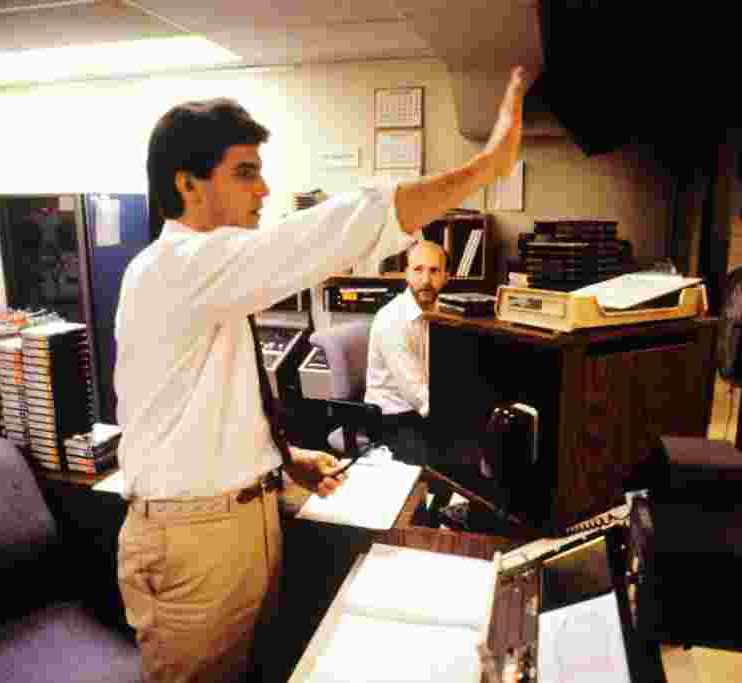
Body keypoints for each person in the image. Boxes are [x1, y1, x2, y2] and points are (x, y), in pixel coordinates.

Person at [113, 65, 529, 683]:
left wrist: (282, 459)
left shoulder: (209, 280)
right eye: (245, 172)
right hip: (196, 544)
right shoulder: (173, 266)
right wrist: (485, 167)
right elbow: (329, 233)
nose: (262, 190)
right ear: (188, 184)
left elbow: (211, 408)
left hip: (240, 523)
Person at [362, 240, 449, 466]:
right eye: (418, 270)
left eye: (434, 271)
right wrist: (459, 417)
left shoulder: (444, 314)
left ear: (446, 276)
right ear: (406, 274)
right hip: (393, 419)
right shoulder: (392, 320)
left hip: (425, 410)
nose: (426, 280)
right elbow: (418, 395)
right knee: (445, 466)